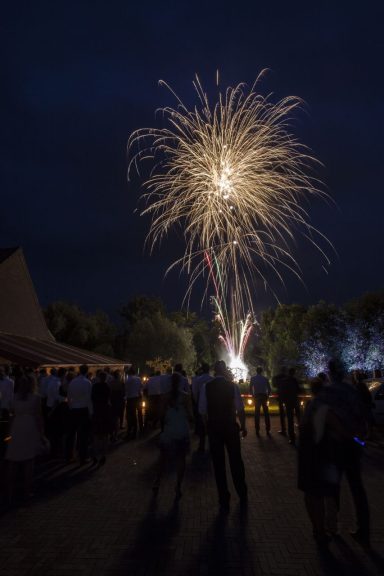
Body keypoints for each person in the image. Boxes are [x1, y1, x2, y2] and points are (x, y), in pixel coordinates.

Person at [324, 359, 371, 547]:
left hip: (334, 445)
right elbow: (364, 416)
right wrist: (360, 437)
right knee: (357, 488)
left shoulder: (327, 393)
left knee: (332, 486)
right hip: (352, 445)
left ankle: (333, 526)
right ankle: (363, 530)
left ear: (329, 372)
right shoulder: (352, 391)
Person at [199, 360, 248, 511]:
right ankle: (242, 492)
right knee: (236, 461)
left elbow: (202, 410)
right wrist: (243, 426)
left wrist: (207, 425)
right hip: (230, 427)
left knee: (218, 464)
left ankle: (223, 497)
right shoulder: (232, 386)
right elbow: (240, 408)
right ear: (225, 370)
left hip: (214, 428)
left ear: (214, 371)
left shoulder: (206, 387)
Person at [5, 374, 45, 503]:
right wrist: (42, 433)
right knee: (28, 460)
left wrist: (10, 431)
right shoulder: (36, 398)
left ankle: (10, 492)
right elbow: (39, 417)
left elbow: (11, 415)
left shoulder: (14, 398)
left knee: (13, 459)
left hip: (17, 426)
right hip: (29, 426)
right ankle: (27, 491)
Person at [152, 372, 191, 499]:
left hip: (169, 431)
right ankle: (178, 486)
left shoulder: (165, 397)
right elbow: (191, 415)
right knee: (181, 460)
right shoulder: (185, 397)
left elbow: (160, 415)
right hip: (182, 430)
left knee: (163, 459)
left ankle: (157, 482)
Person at [66, 364, 92, 464]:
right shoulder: (87, 383)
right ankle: (83, 456)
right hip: (84, 410)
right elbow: (89, 399)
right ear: (86, 371)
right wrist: (91, 412)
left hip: (74, 409)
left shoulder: (73, 382)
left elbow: (69, 397)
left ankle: (69, 456)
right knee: (83, 435)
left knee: (71, 434)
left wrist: (71, 407)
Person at [91, 371, 111, 466]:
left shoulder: (95, 387)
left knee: (96, 434)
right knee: (104, 435)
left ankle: (95, 454)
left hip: (96, 411)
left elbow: (92, 398)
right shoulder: (107, 387)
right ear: (105, 378)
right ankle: (103, 455)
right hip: (105, 412)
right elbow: (108, 399)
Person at [192, 363, 212, 451]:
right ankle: (211, 443)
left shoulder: (197, 380)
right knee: (211, 422)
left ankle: (201, 444)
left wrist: (197, 402)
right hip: (211, 404)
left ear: (202, 370)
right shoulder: (212, 379)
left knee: (201, 424)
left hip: (200, 401)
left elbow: (195, 392)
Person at [281, 367, 301, 445]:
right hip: (295, 401)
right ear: (293, 373)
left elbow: (283, 392)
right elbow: (298, 390)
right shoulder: (295, 380)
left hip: (288, 402)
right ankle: (301, 434)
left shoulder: (284, 381)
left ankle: (292, 437)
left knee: (290, 420)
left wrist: (283, 400)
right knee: (298, 417)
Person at [249, 366, 271, 436]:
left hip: (257, 396)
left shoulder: (253, 378)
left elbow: (250, 388)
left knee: (257, 414)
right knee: (266, 413)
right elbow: (269, 389)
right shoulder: (265, 379)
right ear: (261, 371)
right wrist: (267, 396)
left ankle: (257, 430)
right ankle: (267, 429)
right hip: (264, 396)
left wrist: (253, 395)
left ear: (256, 371)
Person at [124, 367, 143, 440]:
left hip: (130, 399)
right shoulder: (138, 379)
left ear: (129, 373)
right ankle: (140, 428)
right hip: (137, 398)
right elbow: (141, 386)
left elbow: (126, 390)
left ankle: (131, 430)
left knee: (131, 415)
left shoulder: (128, 380)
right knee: (139, 412)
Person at [109, 370, 125, 441]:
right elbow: (123, 392)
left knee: (112, 418)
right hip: (119, 401)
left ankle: (112, 434)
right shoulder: (121, 383)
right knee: (118, 417)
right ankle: (116, 433)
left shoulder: (110, 383)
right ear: (118, 376)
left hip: (112, 402)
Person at [273, 366, 288, 436]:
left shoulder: (277, 377)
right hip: (288, 397)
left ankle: (283, 429)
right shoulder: (288, 378)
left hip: (281, 396)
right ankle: (290, 429)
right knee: (289, 414)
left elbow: (274, 385)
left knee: (282, 413)